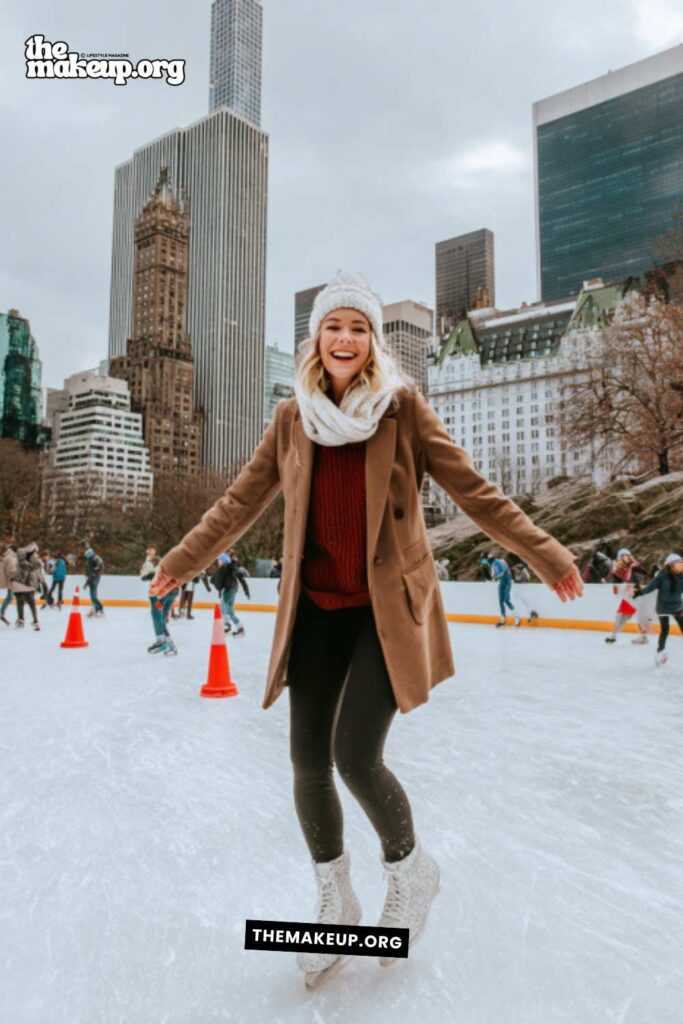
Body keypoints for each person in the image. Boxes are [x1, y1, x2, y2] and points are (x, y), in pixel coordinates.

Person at [150, 271, 582, 988]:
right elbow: (238, 503)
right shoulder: (293, 419)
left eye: (357, 328)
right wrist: (181, 560)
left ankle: (411, 872)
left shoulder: (401, 409)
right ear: (315, 340)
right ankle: (335, 898)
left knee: (355, 755)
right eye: (332, 327)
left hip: (385, 614)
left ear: (372, 341)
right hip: (316, 609)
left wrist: (544, 550)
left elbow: (473, 491)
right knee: (306, 763)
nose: (344, 339)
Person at [634, 553, 683, 667]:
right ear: (671, 565)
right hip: (663, 607)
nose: (682, 564)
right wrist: (639, 592)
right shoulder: (662, 576)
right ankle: (660, 650)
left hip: (677, 606)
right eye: (679, 562)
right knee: (665, 629)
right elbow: (651, 587)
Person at [604, 548, 653, 645]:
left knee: (638, 616)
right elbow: (616, 584)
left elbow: (646, 573)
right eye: (625, 556)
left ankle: (643, 637)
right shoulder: (616, 570)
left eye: (628, 555)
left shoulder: (633, 566)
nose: (627, 557)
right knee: (621, 616)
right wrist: (605, 580)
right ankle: (613, 636)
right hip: (627, 596)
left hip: (636, 594)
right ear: (620, 558)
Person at [210, 551, 250, 636]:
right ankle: (239, 628)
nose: (218, 562)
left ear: (223, 561)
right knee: (229, 611)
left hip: (229, 590)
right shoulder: (224, 568)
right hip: (231, 589)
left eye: (219, 560)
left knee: (224, 609)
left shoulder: (228, 567)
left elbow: (234, 568)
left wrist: (239, 569)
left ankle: (227, 627)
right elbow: (216, 578)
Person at [11, 542, 43, 630]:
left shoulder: (20, 559)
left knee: (20, 602)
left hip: (18, 584)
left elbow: (16, 572)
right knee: (31, 603)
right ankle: (35, 621)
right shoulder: (34, 562)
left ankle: (21, 619)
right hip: (29, 585)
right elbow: (39, 575)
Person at [490, 554, 521, 627]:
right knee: (501, 601)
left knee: (506, 600)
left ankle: (517, 617)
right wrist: (494, 577)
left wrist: (495, 577)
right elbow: (494, 573)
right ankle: (503, 618)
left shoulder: (498, 562)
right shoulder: (495, 563)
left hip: (507, 582)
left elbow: (502, 572)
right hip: (502, 582)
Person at [84, 547, 105, 617]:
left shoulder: (94, 558)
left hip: (94, 578)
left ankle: (100, 609)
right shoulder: (91, 559)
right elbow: (90, 572)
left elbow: (100, 566)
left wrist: (94, 571)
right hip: (92, 578)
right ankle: (95, 609)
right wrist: (87, 582)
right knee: (92, 596)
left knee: (93, 596)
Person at [0, 539, 17, 625]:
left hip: (7, 579)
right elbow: (10, 570)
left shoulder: (8, 556)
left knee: (10, 596)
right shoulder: (12, 558)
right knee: (10, 597)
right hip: (10, 579)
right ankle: (1, 613)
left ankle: (2, 613)